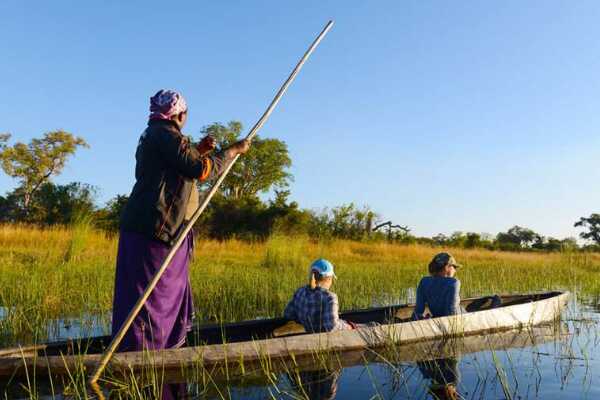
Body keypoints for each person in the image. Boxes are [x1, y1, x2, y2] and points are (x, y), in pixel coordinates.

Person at [112, 89, 250, 351]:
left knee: (141, 292)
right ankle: (150, 348)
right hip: (156, 230)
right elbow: (199, 169)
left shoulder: (153, 134)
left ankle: (141, 344)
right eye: (186, 114)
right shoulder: (166, 134)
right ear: (179, 115)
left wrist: (198, 150)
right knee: (155, 294)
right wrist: (231, 151)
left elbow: (173, 166)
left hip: (143, 226)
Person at [284, 259, 354, 333]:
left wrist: (304, 320)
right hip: (323, 339)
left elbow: (288, 314)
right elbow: (332, 327)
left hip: (308, 333)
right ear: (329, 279)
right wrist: (349, 326)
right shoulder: (330, 297)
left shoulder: (300, 291)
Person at [412, 252, 462, 320]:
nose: (455, 271)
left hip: (438, 318)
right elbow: (451, 313)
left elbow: (417, 311)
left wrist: (426, 319)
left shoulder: (424, 281)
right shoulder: (454, 283)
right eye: (454, 267)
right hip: (455, 321)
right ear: (448, 267)